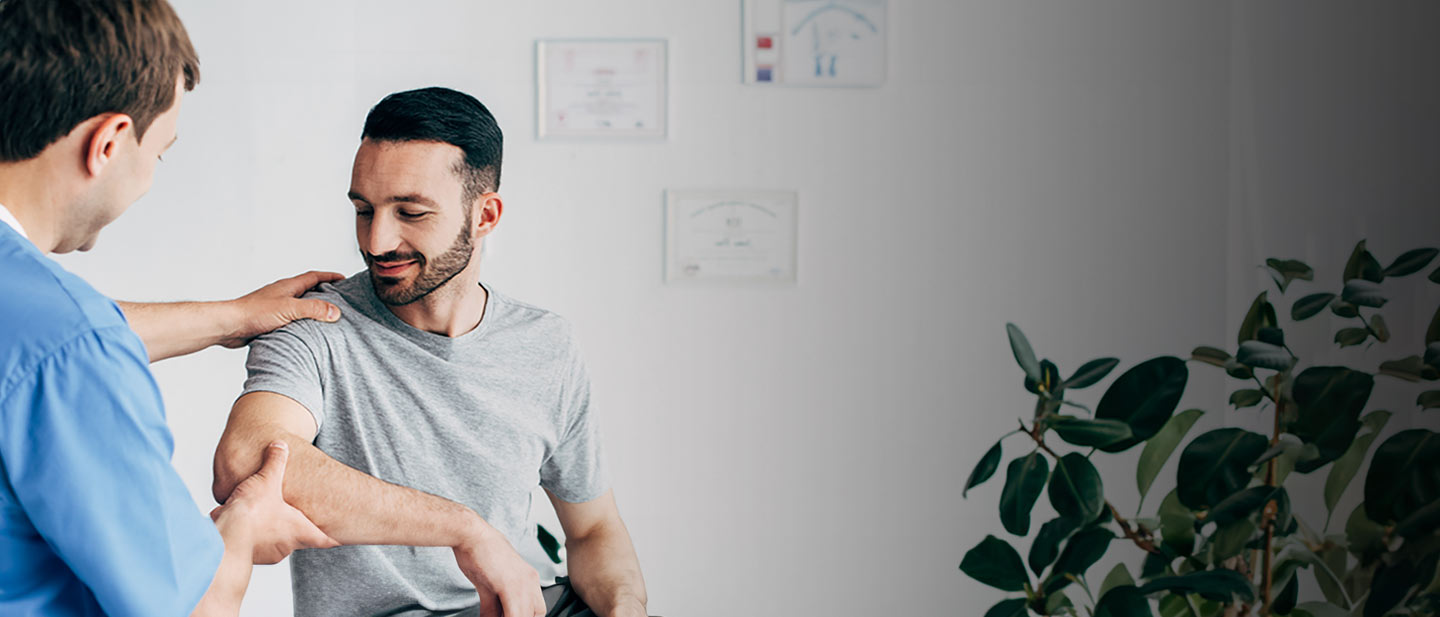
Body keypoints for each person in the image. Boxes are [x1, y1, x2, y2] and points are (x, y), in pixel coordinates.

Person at [212, 87, 649, 617]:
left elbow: (593, 529)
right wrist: (465, 531)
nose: (377, 241)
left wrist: (627, 607)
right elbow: (247, 458)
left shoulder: (547, 345)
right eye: (363, 210)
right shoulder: (314, 324)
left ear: (484, 215)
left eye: (411, 213)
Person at [0, 0, 343, 615]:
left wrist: (232, 317)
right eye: (158, 153)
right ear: (107, 143)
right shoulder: (72, 344)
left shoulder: (51, 330)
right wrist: (243, 524)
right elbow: (191, 607)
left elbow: (33, 341)